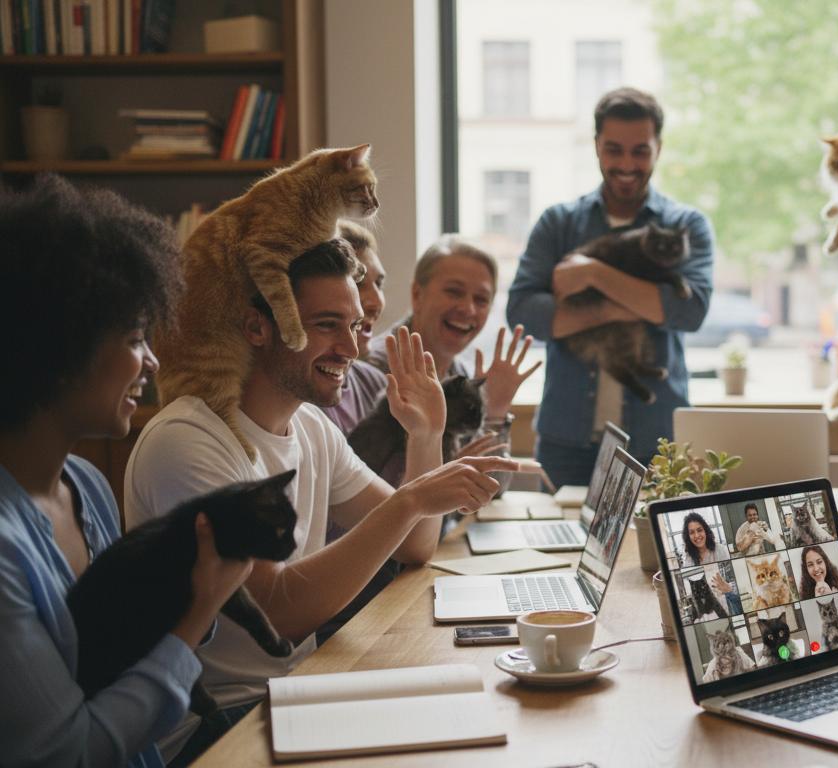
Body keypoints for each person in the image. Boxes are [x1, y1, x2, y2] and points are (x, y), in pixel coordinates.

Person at [124, 239, 518, 764]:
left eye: (355, 327)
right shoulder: (190, 439)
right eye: (326, 325)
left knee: (480, 719)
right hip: (215, 726)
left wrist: (426, 434)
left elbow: (418, 544)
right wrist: (408, 501)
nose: (352, 348)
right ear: (258, 327)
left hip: (294, 692)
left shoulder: (310, 426)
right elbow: (278, 615)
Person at [0, 175, 251, 768]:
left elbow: (124, 647)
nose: (153, 361)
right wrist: (196, 614)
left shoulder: (85, 485)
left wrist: (188, 591)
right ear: (59, 349)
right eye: (137, 338)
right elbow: (71, 753)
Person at [507, 87, 715, 484]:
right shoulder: (558, 223)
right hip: (565, 441)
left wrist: (592, 275)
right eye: (614, 149)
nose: (626, 163)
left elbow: (689, 312)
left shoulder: (686, 225)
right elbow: (525, 314)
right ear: (596, 146)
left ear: (659, 148)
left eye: (640, 151)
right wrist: (629, 304)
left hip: (657, 445)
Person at [367, 235, 538, 487]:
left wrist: (495, 412)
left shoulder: (462, 375)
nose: (468, 309)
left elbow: (493, 487)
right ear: (417, 294)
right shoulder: (371, 370)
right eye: (454, 292)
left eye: (481, 300)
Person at [319, 221, 389, 435]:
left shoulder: (375, 384)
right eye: (358, 283)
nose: (376, 303)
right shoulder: (304, 395)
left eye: (379, 284)